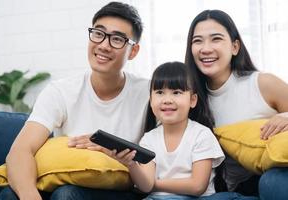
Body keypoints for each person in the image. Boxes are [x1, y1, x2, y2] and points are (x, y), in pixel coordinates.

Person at [0, 2, 149, 200]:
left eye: (117, 39)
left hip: (120, 188)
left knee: (66, 195)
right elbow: (20, 151)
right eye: (98, 33)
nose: (104, 45)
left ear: (133, 51)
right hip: (67, 182)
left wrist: (111, 150)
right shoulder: (61, 91)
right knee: (10, 194)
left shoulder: (149, 92)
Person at [108, 62, 258, 200]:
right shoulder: (149, 139)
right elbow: (145, 186)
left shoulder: (201, 135)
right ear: (151, 99)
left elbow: (198, 186)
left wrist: (156, 184)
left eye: (176, 92)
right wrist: (131, 164)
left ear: (192, 100)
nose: (167, 99)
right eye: (160, 92)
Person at [184, 9, 288, 200]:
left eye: (216, 39)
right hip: (231, 191)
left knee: (272, 182)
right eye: (197, 41)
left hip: (273, 178)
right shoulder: (188, 98)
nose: (205, 48)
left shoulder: (262, 83)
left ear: (235, 47)